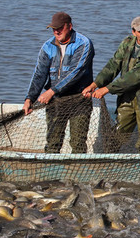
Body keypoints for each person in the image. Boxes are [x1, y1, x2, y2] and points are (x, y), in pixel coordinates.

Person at [81, 16, 140, 154]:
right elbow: (113, 64)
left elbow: (135, 76)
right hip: (127, 96)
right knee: (117, 133)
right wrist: (95, 84)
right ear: (134, 32)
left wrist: (107, 89)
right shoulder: (127, 43)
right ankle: (109, 162)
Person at [24, 11, 94, 153]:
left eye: (60, 28)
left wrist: (51, 91)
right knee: (53, 142)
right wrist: (29, 98)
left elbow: (76, 72)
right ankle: (51, 172)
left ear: (70, 26)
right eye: (54, 29)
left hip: (79, 99)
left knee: (78, 142)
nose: (56, 31)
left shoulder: (84, 43)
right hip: (56, 101)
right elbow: (39, 74)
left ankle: (77, 172)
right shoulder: (47, 46)